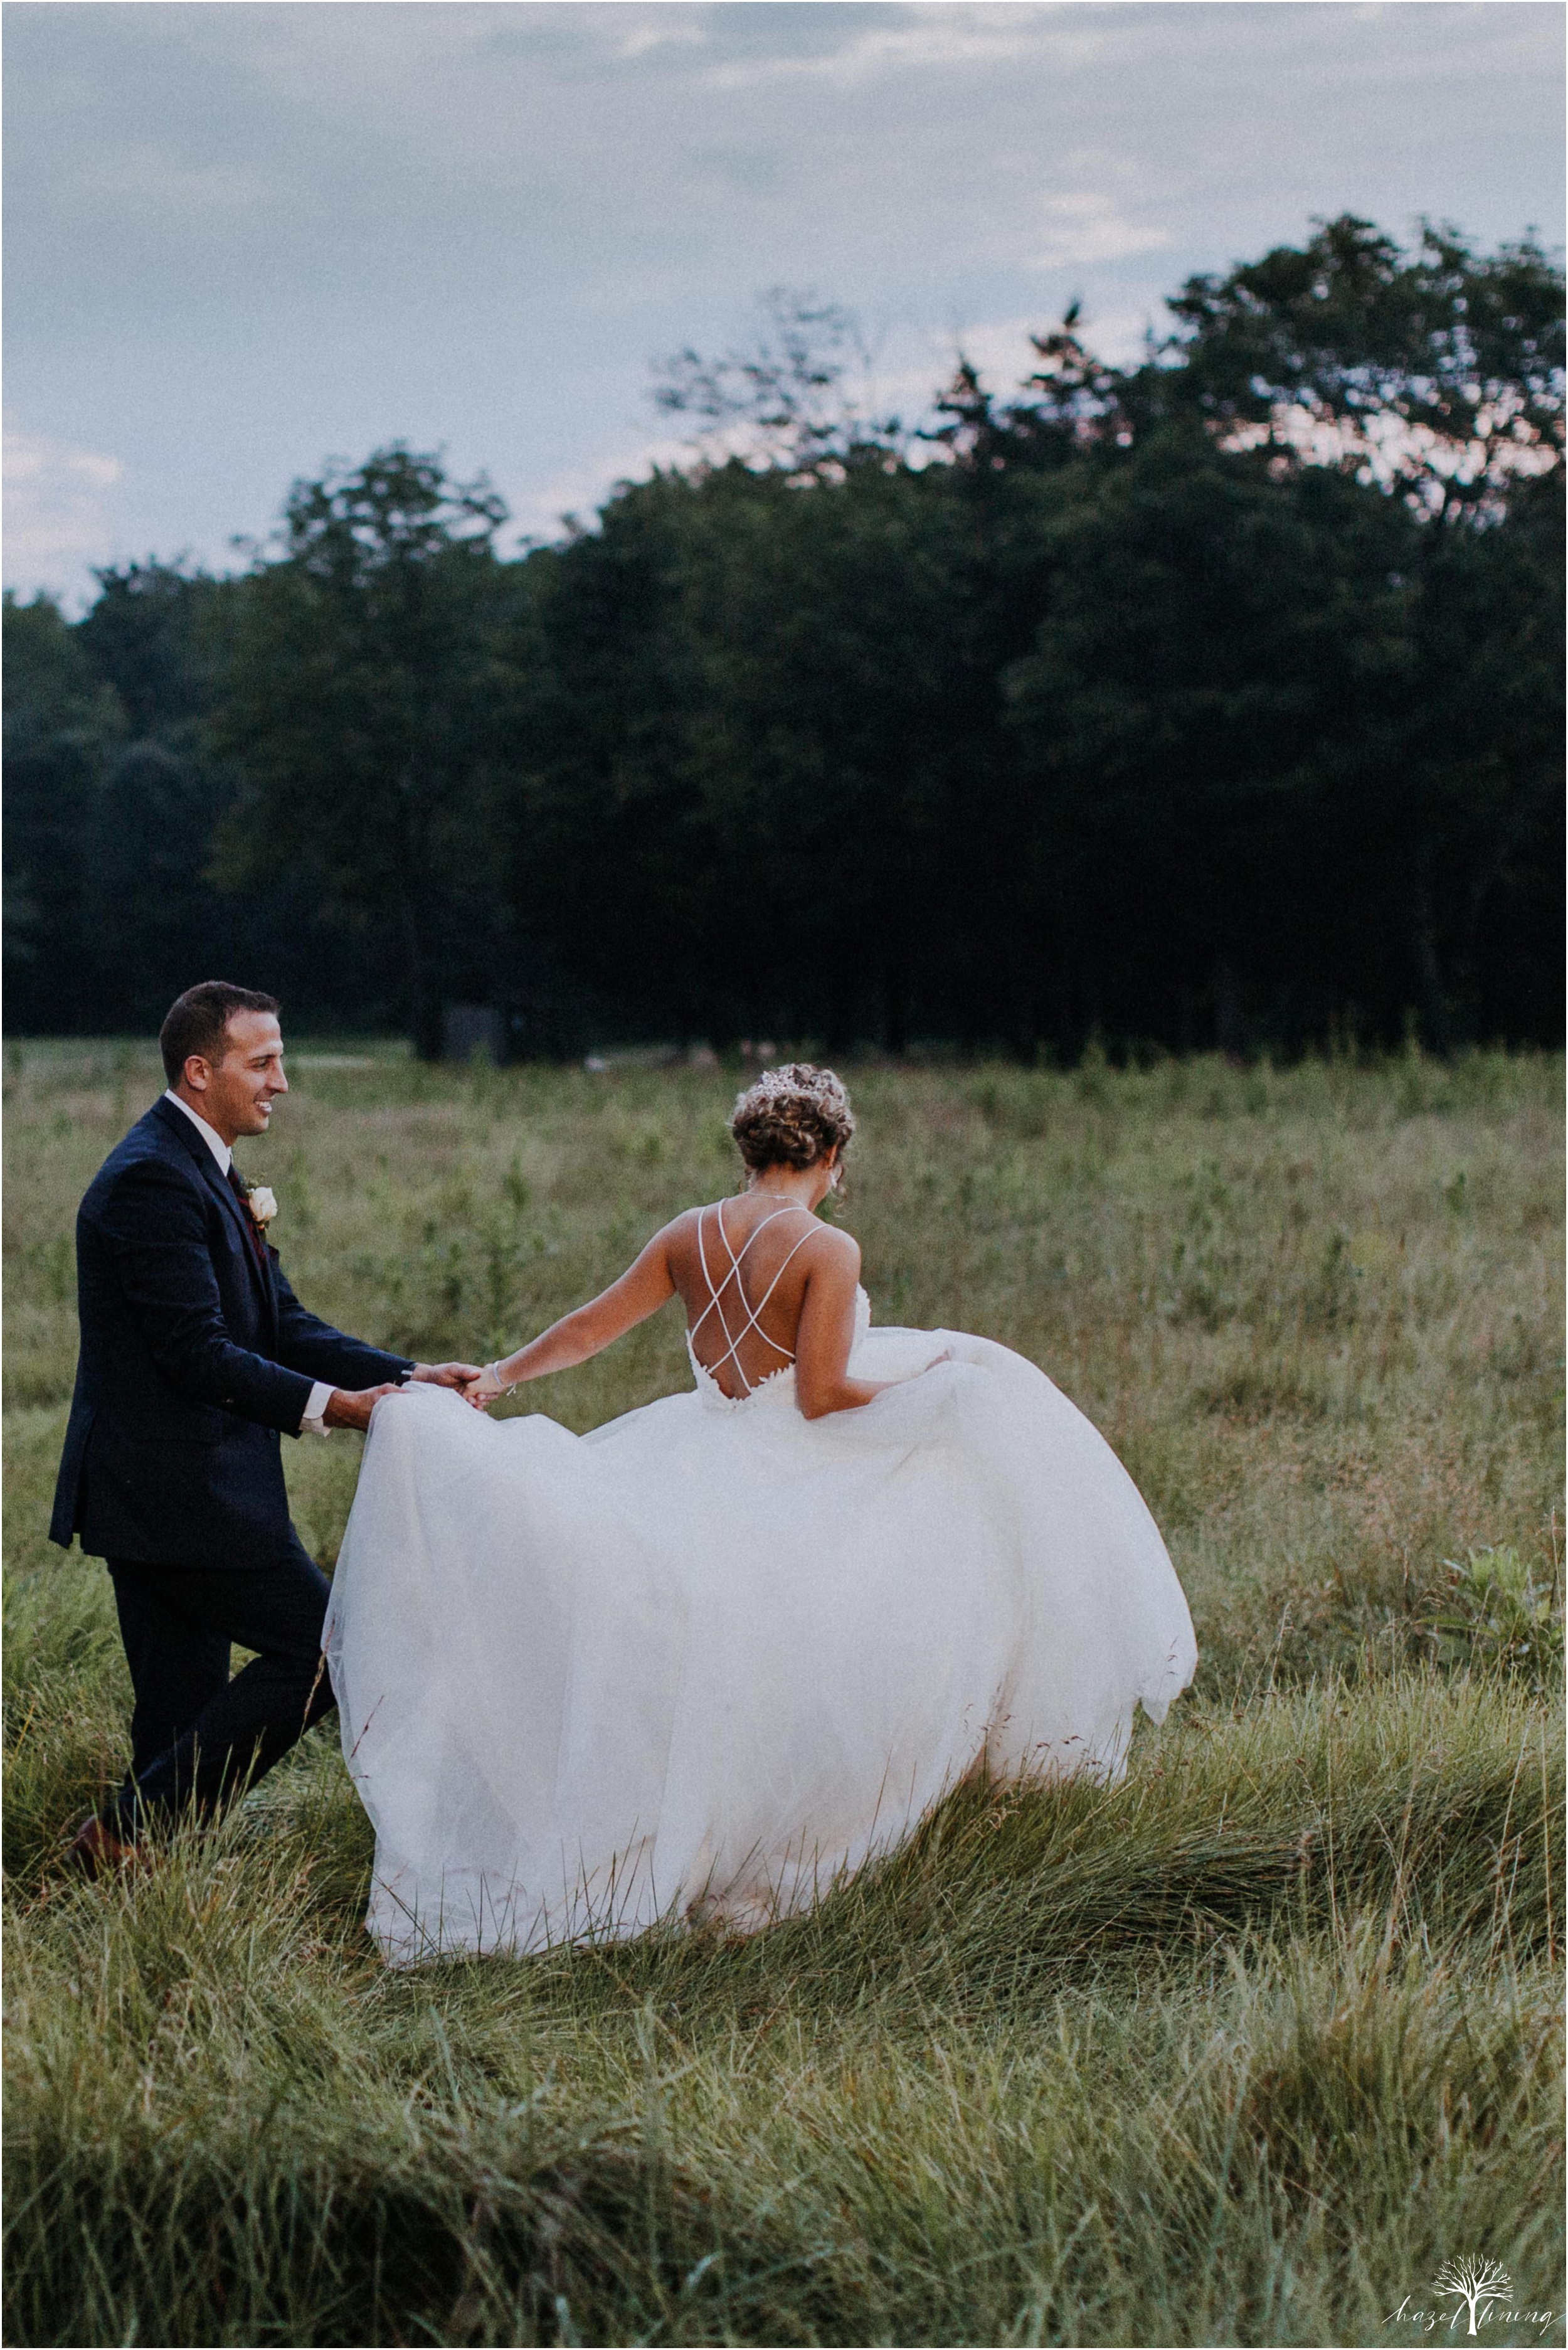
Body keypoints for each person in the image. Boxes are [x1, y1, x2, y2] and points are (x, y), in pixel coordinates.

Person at [326, 1064, 1197, 1963]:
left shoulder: (689, 1233)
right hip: (789, 1462)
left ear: (750, 1152)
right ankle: (779, 1836)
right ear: (828, 1154)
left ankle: (684, 1824)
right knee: (825, 1641)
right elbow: (822, 1394)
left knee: (707, 1650)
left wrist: (498, 1375)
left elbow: (590, 1328)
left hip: (697, 1448)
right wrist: (931, 1385)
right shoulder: (826, 1249)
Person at [51, 981, 480, 1871]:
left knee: (179, 1702)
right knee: (328, 1648)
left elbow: (281, 1323)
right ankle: (123, 1834)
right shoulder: (150, 1180)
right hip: (177, 1488)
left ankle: (136, 1880)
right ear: (200, 1070)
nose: (282, 1081)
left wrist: (406, 1374)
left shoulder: (199, 1163)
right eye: (263, 1061)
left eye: (281, 1059)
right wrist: (340, 1407)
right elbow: (196, 1353)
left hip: (173, 1486)